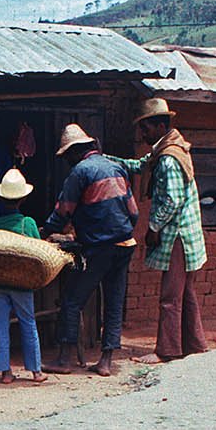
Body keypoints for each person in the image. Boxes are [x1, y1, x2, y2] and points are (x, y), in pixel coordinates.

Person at [43, 123, 140, 376]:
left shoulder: (80, 172)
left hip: (99, 248)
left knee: (72, 300)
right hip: (125, 244)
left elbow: (63, 211)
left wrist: (44, 233)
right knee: (114, 301)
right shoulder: (115, 167)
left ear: (75, 152)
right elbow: (134, 212)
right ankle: (106, 361)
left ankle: (64, 360)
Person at [130, 97, 210, 363]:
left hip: (177, 235)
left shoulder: (168, 158)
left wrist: (153, 227)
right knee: (185, 292)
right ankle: (195, 344)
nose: (142, 133)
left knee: (170, 296)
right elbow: (142, 166)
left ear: (160, 126)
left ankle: (166, 350)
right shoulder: (170, 149)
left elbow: (172, 200)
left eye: (146, 127)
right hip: (187, 233)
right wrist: (112, 161)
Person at [0, 168, 45, 384]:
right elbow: (38, 249)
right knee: (28, 323)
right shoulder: (27, 223)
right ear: (23, 198)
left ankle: (5, 373)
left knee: (1, 325)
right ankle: (36, 371)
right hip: (22, 284)